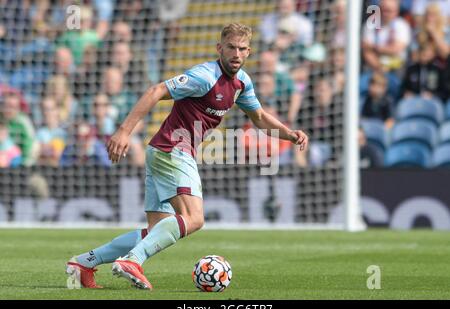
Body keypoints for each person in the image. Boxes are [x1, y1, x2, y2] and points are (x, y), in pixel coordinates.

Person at [65, 23, 309, 290]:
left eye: (241, 49)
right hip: (174, 150)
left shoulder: (242, 83)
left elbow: (259, 117)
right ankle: (133, 261)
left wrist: (290, 134)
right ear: (220, 48)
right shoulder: (204, 76)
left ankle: (85, 262)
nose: (236, 54)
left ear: (249, 51)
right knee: (194, 218)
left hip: (161, 152)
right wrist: (124, 131)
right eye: (230, 47)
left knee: (156, 231)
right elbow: (155, 91)